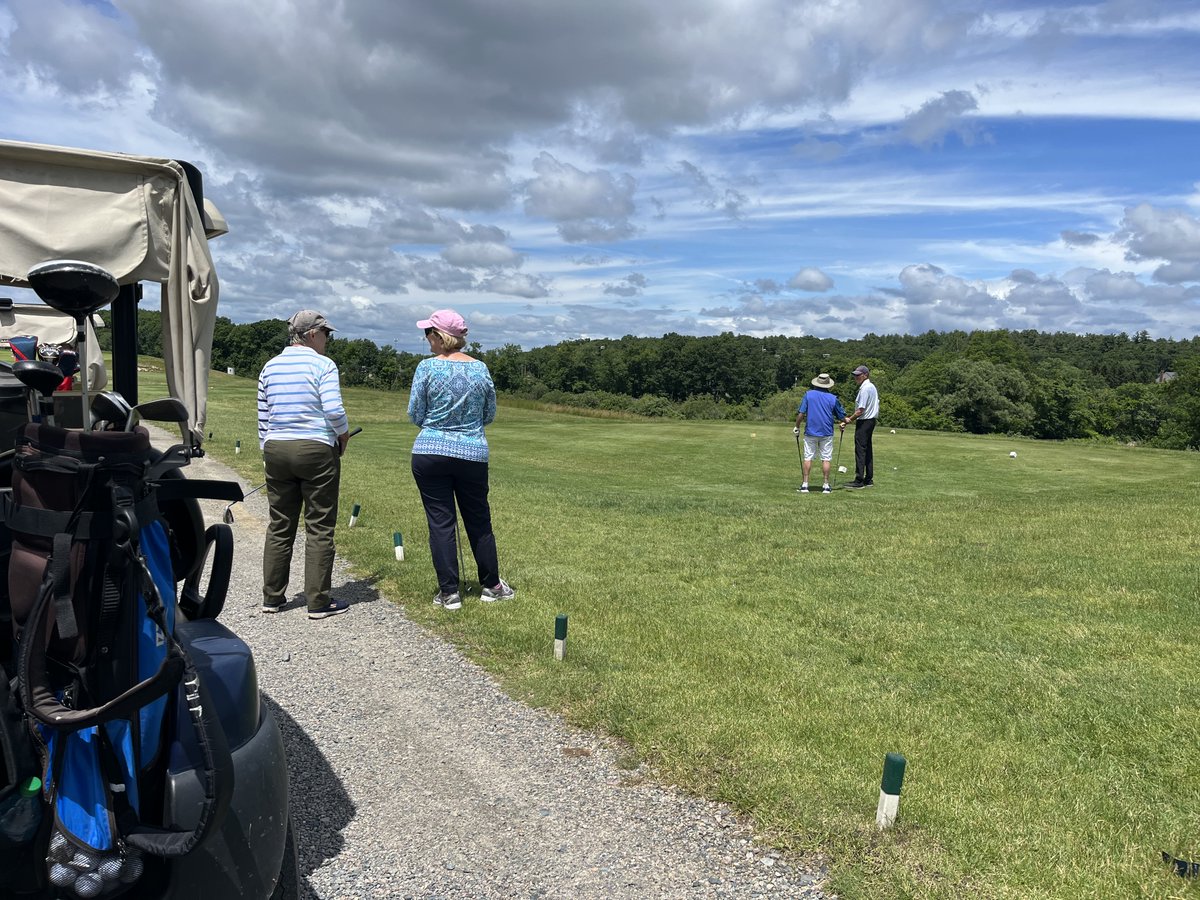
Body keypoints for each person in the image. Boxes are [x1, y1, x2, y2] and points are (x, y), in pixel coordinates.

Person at [408, 309, 514, 611]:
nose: (426, 338)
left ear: (440, 336)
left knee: (441, 522)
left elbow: (415, 413)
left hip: (430, 451)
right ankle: (492, 585)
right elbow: (489, 414)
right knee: (479, 520)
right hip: (472, 453)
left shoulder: (426, 368)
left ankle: (449, 593)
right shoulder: (481, 369)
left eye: (428, 332)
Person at [257, 310, 353, 620]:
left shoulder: (270, 366)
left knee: (280, 525)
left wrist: (265, 448)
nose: (328, 339)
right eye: (327, 333)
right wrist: (343, 435)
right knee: (320, 526)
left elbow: (264, 416)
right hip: (314, 447)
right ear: (312, 334)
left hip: (275, 447)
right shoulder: (323, 364)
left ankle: (272, 597)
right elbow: (333, 409)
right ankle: (318, 601)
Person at [794, 373, 846, 494]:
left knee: (808, 457)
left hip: (810, 431)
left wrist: (796, 427)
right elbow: (841, 416)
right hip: (827, 432)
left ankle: (805, 485)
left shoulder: (808, 395)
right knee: (826, 459)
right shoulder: (833, 398)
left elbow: (801, 414)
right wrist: (846, 422)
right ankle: (826, 486)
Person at [841, 364, 879, 489]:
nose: (856, 377)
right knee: (867, 450)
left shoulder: (865, 389)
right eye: (855, 375)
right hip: (871, 421)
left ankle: (859, 480)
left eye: (858, 375)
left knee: (860, 450)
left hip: (864, 421)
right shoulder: (871, 386)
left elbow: (860, 410)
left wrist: (848, 420)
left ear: (865, 375)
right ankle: (868, 479)